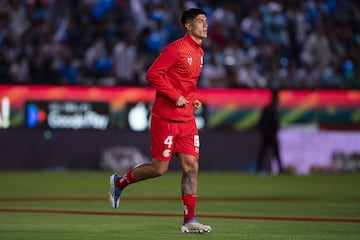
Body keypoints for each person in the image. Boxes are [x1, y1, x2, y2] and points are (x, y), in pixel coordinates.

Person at [109, 8, 211, 234]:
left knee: (191, 167)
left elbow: (186, 84)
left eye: (206, 21)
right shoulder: (175, 49)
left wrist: (192, 100)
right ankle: (119, 183)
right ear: (188, 25)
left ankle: (189, 220)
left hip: (187, 120)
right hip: (165, 118)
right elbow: (153, 74)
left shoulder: (200, 52)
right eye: (200, 21)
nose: (205, 25)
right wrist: (176, 97)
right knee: (159, 169)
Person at [256, 89, 284, 174]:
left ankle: (259, 168)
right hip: (271, 134)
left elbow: (260, 122)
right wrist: (275, 133)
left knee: (264, 152)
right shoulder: (273, 109)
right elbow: (275, 123)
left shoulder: (266, 108)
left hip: (265, 134)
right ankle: (281, 169)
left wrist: (262, 132)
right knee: (275, 152)